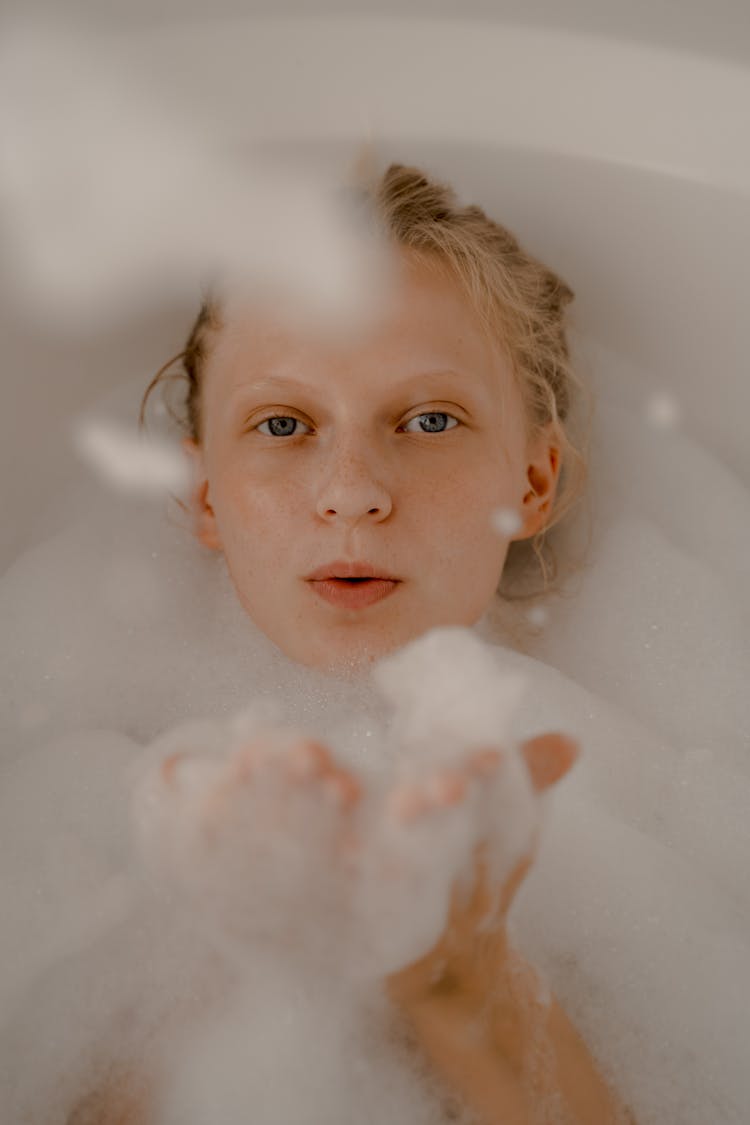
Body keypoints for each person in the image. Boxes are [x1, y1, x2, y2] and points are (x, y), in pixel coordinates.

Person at [73, 162, 634, 1124]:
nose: (353, 491)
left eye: (428, 418)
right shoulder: (76, 802)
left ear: (534, 481)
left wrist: (472, 996)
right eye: (284, 424)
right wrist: (227, 963)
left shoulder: (640, 804)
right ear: (207, 494)